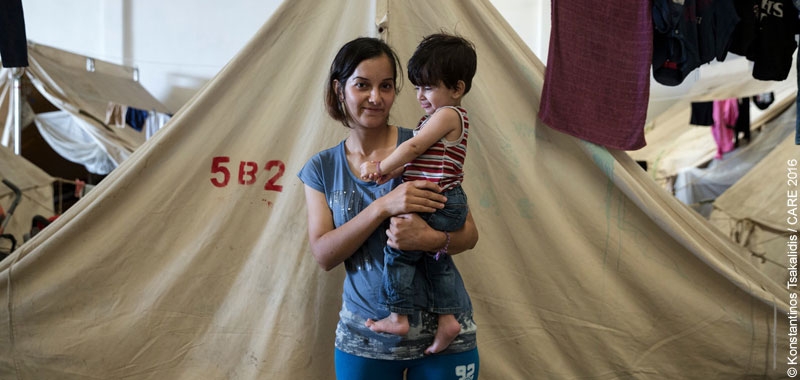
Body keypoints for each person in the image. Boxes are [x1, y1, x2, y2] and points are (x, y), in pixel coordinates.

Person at [297, 36, 480, 380]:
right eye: (362, 85)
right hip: (365, 340)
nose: (375, 97)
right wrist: (383, 206)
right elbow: (324, 255)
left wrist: (429, 239)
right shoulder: (321, 168)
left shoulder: (422, 141)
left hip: (443, 341)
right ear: (340, 89)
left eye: (386, 86)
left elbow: (469, 234)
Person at [359, 33, 477, 356]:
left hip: (441, 200)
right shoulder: (438, 118)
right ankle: (448, 318)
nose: (421, 95)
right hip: (445, 198)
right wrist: (392, 172)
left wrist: (381, 165)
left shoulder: (447, 116)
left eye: (429, 86)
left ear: (457, 88)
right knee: (435, 259)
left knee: (399, 248)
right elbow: (418, 162)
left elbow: (412, 148)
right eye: (417, 87)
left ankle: (398, 316)